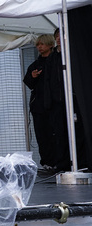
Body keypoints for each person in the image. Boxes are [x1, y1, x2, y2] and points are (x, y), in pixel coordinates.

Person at [23, 33, 69, 172]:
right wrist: (32, 77)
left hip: (56, 104)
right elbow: (28, 83)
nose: (39, 47)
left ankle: (59, 161)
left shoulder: (57, 60)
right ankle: (47, 162)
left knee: (57, 134)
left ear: (50, 44)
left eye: (42, 44)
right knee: (42, 135)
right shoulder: (35, 65)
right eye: (37, 44)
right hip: (39, 106)